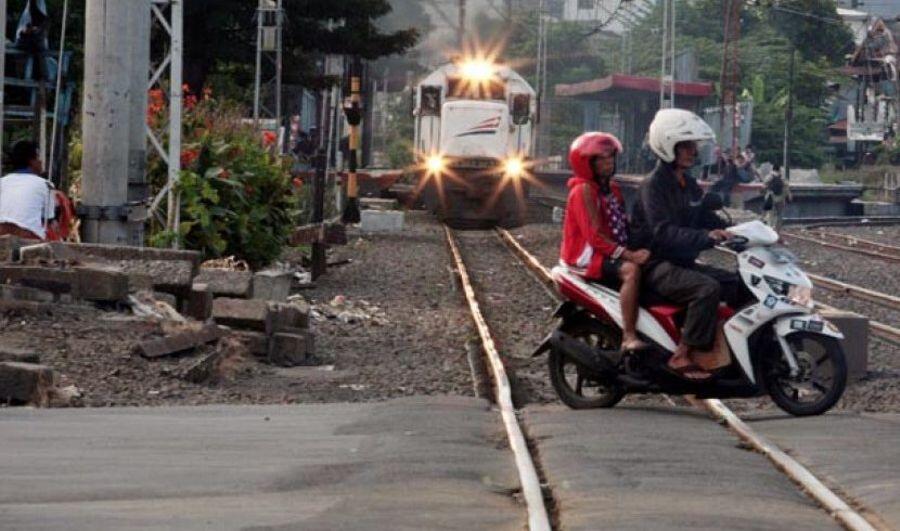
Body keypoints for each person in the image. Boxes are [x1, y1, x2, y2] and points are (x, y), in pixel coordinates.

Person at [630, 109, 751, 380]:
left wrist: (740, 232)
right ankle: (682, 354)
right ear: (667, 145)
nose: (693, 152)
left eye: (693, 146)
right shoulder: (654, 186)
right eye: (685, 146)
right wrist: (707, 237)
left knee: (737, 284)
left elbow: (704, 216)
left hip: (680, 261)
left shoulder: (687, 183)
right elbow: (663, 233)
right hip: (656, 264)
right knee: (707, 289)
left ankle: (724, 348)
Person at [560, 132, 651, 351]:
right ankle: (629, 336)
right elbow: (595, 237)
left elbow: (621, 223)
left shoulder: (612, 188)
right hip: (586, 255)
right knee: (631, 271)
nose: (608, 161)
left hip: (606, 250)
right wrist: (629, 255)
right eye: (601, 158)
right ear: (586, 163)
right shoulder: (583, 191)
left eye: (610, 156)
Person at [0, 140, 55, 240]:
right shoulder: (45, 185)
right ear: (31, 161)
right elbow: (48, 219)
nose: (41, 161)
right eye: (38, 158)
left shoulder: (2, 182)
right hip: (28, 237)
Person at [762, 163, 791, 232]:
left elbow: (764, 186)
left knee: (770, 214)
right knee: (779, 214)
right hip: (781, 198)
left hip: (770, 198)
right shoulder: (782, 177)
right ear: (779, 169)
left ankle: (770, 229)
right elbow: (786, 187)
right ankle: (778, 230)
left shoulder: (769, 176)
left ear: (773, 169)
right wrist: (789, 195)